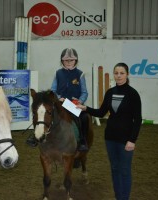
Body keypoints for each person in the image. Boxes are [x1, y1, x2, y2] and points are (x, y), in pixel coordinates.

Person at [77, 62, 142, 200]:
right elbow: (101, 112)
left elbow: (138, 119)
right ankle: (118, 197)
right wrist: (85, 108)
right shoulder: (110, 92)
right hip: (110, 138)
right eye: (116, 73)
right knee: (114, 169)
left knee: (124, 171)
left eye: (122, 73)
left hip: (126, 140)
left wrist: (132, 140)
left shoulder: (133, 94)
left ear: (127, 74)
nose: (118, 76)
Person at [26, 48, 90, 152]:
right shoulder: (58, 73)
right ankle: (35, 136)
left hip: (74, 104)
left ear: (76, 61)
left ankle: (82, 140)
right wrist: (59, 97)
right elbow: (53, 89)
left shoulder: (80, 74)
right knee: (43, 114)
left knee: (84, 117)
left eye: (71, 60)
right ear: (62, 61)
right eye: (66, 60)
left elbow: (84, 92)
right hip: (60, 103)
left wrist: (80, 102)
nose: (69, 62)